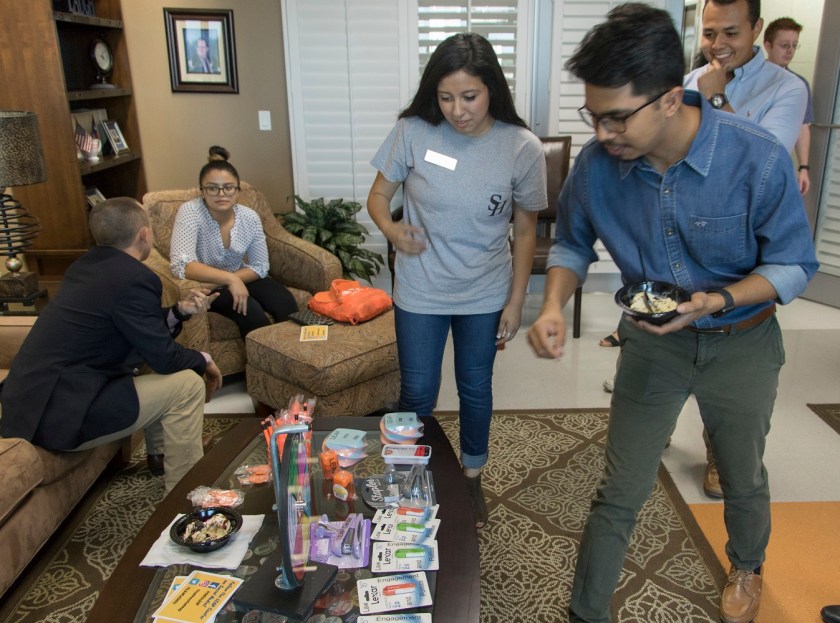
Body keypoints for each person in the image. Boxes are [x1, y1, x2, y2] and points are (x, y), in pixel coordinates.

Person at [527, 4, 818, 623]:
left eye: (616, 117)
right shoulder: (598, 166)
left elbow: (794, 264)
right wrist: (552, 303)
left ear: (668, 98)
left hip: (741, 342)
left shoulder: (756, 157)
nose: (603, 133)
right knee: (620, 488)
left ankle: (747, 565)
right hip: (654, 344)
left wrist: (719, 299)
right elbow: (572, 243)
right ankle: (586, 613)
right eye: (593, 116)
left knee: (741, 474)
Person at [366, 32, 546, 529]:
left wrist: (516, 301)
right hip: (420, 288)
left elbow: (525, 231)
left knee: (475, 388)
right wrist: (392, 231)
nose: (457, 111)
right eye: (446, 97)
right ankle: (406, 477)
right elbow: (377, 197)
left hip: (485, 290)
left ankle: (470, 478)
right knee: (418, 392)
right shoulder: (412, 131)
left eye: (469, 97)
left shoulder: (521, 147)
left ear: (492, 89)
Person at [0, 197, 223, 494]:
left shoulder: (86, 266)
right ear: (143, 234)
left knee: (157, 365)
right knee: (187, 385)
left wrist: (179, 311)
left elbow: (135, 325)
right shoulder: (136, 278)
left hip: (32, 404)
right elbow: (165, 358)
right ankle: (185, 496)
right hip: (62, 415)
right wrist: (203, 360)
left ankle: (162, 454)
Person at [170, 146, 298, 338]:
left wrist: (234, 278)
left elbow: (260, 266)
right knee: (249, 310)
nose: (221, 194)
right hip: (206, 283)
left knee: (284, 301)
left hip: (239, 275)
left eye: (228, 187)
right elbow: (182, 265)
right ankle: (264, 357)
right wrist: (230, 280)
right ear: (202, 191)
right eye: (212, 188)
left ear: (238, 191)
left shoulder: (249, 217)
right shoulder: (190, 211)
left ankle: (293, 352)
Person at [764, 17, 814, 195]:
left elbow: (802, 126)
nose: (790, 51)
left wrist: (803, 168)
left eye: (794, 45)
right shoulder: (751, 79)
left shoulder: (799, 85)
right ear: (768, 45)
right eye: (784, 45)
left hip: (778, 164)